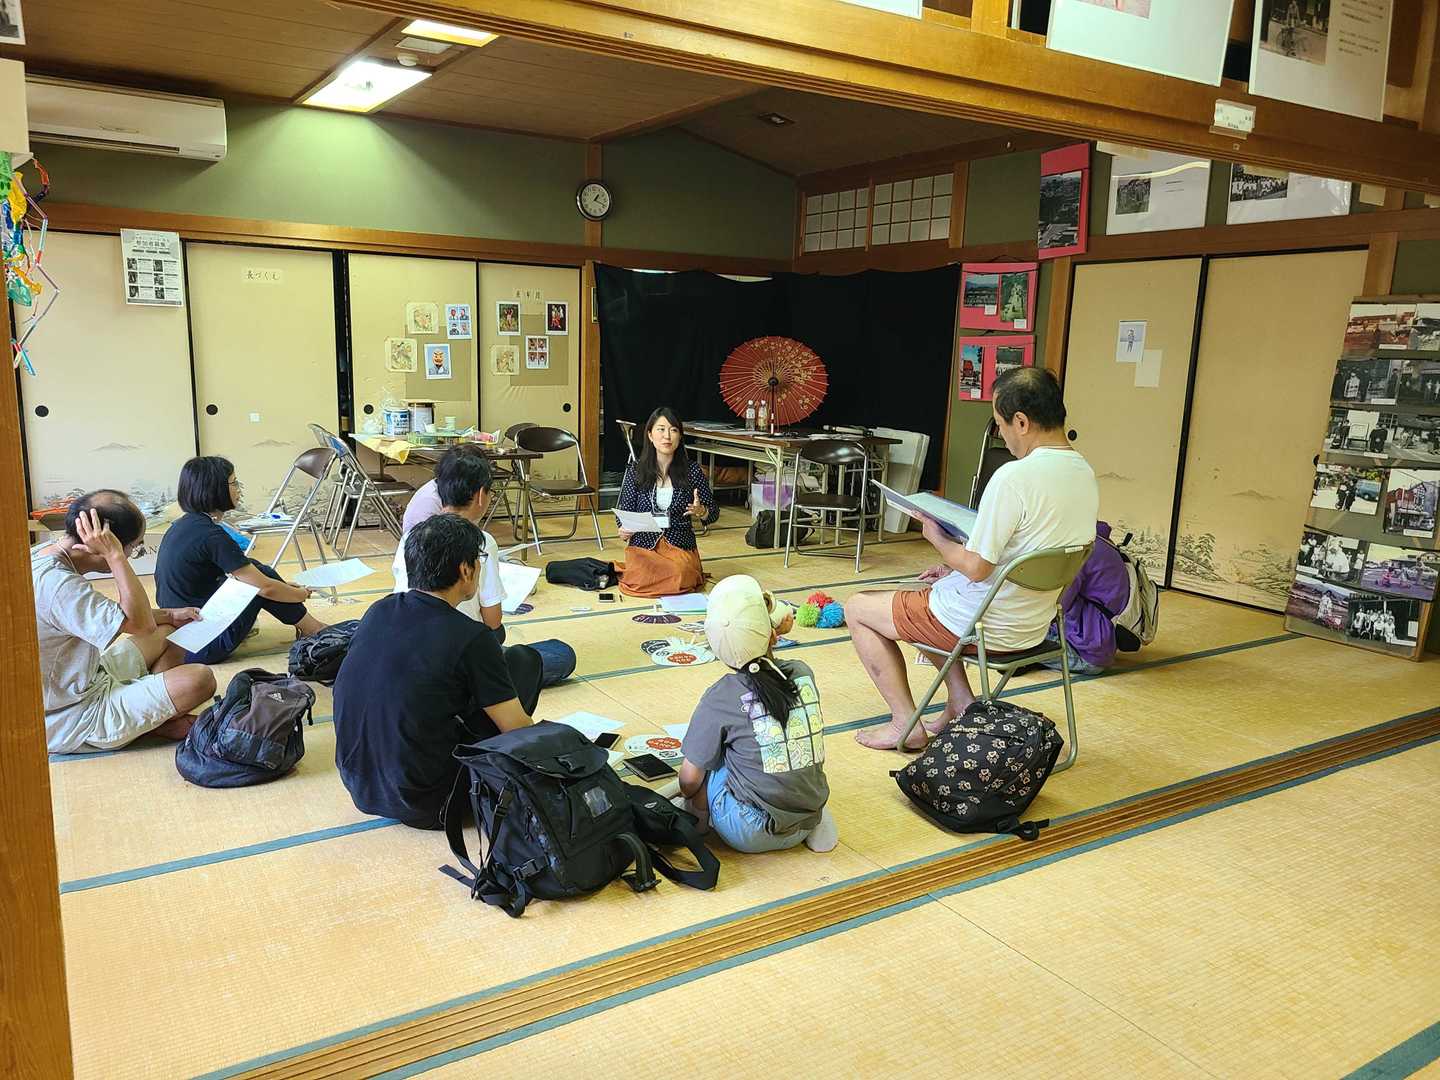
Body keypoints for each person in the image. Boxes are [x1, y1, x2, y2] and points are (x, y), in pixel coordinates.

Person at [846, 368, 1099, 750]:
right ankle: (961, 702)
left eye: (1000, 424)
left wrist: (937, 539)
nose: (1003, 436)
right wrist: (953, 567)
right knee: (931, 594)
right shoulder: (1084, 473)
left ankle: (904, 724)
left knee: (858, 608)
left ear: (1021, 422)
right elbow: (1030, 549)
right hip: (1034, 625)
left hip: (987, 626)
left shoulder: (1015, 477)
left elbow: (978, 569)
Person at [334, 514, 541, 829]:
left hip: (360, 788)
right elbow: (516, 728)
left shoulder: (379, 610)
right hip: (434, 801)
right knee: (524, 661)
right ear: (466, 570)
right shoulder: (472, 636)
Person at [32, 491, 216, 753]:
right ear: (104, 541)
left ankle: (153, 715)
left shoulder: (43, 554)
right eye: (134, 547)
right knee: (200, 679)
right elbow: (140, 625)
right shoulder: (59, 585)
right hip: (74, 713)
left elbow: (127, 618)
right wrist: (115, 556)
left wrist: (170, 615)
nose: (132, 554)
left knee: (169, 631)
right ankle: (151, 721)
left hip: (89, 676)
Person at [675, 575, 837, 853]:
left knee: (711, 759)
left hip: (748, 830)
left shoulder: (721, 697)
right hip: (806, 814)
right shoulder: (802, 673)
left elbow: (689, 780)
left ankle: (698, 822)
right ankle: (813, 822)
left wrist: (691, 795)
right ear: (773, 635)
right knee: (787, 755)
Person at [394, 445, 575, 686]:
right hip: (457, 658)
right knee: (559, 654)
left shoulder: (410, 537)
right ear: (481, 495)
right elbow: (492, 622)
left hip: (406, 653)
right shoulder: (479, 542)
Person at [156, 457, 327, 665]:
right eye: (234, 483)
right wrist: (299, 594)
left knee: (255, 569)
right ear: (216, 489)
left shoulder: (184, 525)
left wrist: (282, 588)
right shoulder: (211, 535)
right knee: (260, 583)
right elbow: (266, 588)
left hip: (181, 633)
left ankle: (307, 625)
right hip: (200, 644)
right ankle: (313, 629)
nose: (239, 489)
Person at [616, 406, 719, 598]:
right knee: (641, 576)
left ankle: (671, 574)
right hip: (644, 543)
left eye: (673, 430)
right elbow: (625, 512)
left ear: (680, 437)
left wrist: (701, 511)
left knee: (679, 573)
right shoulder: (635, 470)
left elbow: (713, 512)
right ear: (650, 435)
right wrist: (624, 529)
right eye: (661, 429)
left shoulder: (692, 471)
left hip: (679, 544)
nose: (667, 436)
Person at [1043, 521, 1134, 676]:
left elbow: (1058, 605)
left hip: (1088, 654)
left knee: (1015, 639)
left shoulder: (1081, 551)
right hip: (1102, 642)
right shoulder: (1102, 542)